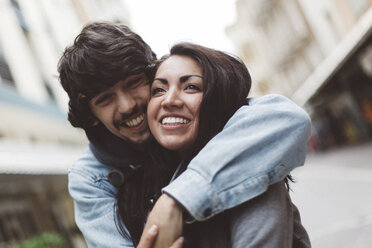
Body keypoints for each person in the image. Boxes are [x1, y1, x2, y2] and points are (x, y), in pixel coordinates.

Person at [58, 22, 311, 247]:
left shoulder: (236, 148)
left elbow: (288, 118)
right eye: (105, 99)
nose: (126, 106)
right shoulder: (92, 178)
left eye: (133, 83)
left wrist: (175, 201)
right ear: (91, 116)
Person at [116, 42, 311, 247]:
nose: (169, 100)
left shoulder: (248, 175)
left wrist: (173, 201)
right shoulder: (147, 185)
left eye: (191, 87)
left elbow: (290, 117)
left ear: (217, 100)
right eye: (158, 90)